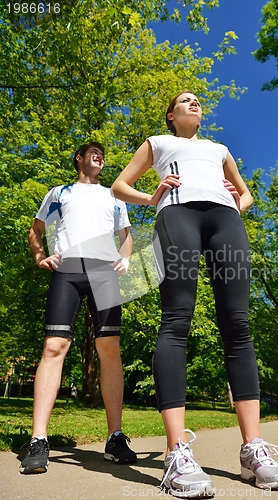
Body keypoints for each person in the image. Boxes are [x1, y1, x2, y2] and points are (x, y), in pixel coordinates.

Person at [111, 91, 278, 496]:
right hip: (177, 215)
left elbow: (245, 194)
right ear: (171, 116)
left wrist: (237, 204)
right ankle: (176, 452)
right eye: (185, 101)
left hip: (224, 219)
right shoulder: (158, 144)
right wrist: (151, 196)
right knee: (176, 318)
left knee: (238, 324)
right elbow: (119, 186)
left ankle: (253, 450)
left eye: (197, 101)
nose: (194, 103)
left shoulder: (219, 149)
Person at [20, 142, 137, 474]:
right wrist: (41, 257)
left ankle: (115, 438)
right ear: (79, 159)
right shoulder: (60, 193)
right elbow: (36, 229)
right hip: (67, 270)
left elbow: (125, 234)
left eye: (103, 153)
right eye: (93, 152)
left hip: (103, 271)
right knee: (54, 346)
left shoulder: (114, 195)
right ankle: (39, 440)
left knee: (109, 347)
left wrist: (126, 258)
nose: (100, 156)